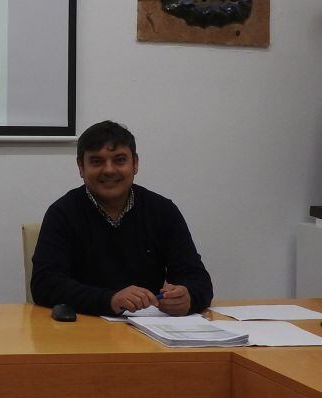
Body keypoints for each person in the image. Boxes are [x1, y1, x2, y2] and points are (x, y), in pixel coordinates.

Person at [30, 120, 213, 317]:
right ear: (81, 167)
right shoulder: (62, 213)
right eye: (96, 161)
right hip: (82, 326)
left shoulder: (163, 211)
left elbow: (198, 280)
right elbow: (44, 284)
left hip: (147, 329)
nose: (109, 170)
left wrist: (188, 297)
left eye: (119, 160)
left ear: (135, 164)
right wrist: (110, 300)